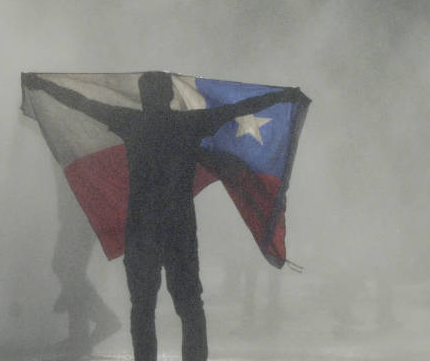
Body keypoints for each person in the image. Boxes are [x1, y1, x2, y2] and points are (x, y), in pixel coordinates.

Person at [23, 71, 302, 361]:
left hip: (142, 227)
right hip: (179, 227)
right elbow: (237, 109)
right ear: (170, 96)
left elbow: (82, 102)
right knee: (190, 304)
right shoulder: (189, 124)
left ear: (143, 96)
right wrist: (282, 97)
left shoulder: (131, 122)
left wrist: (43, 86)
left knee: (142, 306)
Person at [51, 165, 120, 359]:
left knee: (65, 267)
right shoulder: (61, 142)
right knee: (71, 271)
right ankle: (79, 338)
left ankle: (103, 318)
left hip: (82, 213)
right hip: (78, 212)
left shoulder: (70, 143)